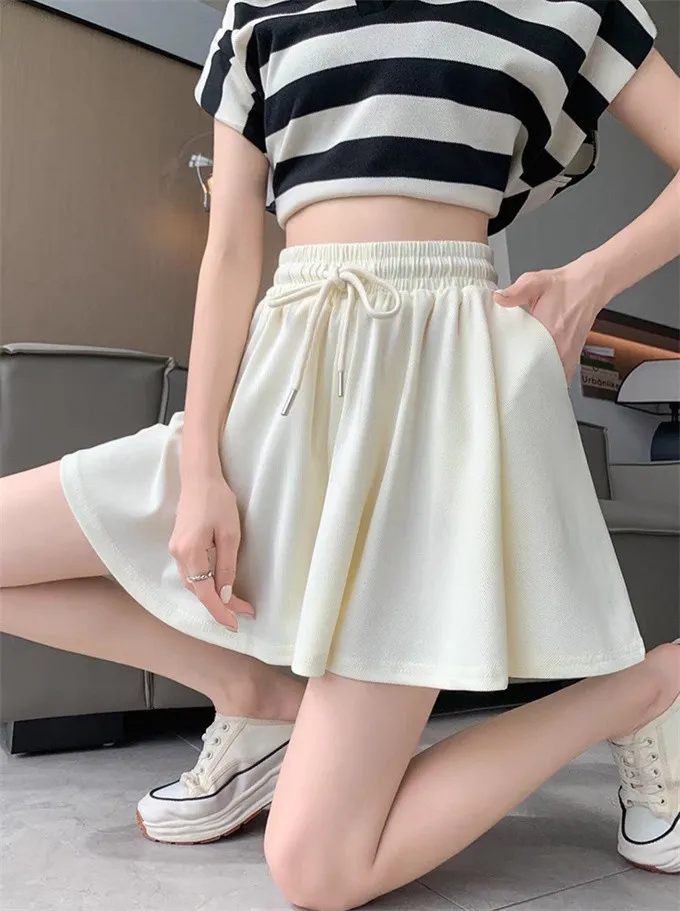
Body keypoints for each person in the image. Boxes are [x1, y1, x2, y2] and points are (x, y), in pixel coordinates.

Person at [1, 0, 679, 907]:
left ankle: (645, 688)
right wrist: (200, 465)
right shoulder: (257, 13)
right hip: (279, 387)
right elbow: (230, 250)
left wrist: (592, 279)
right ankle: (254, 696)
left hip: (435, 408)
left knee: (319, 867)